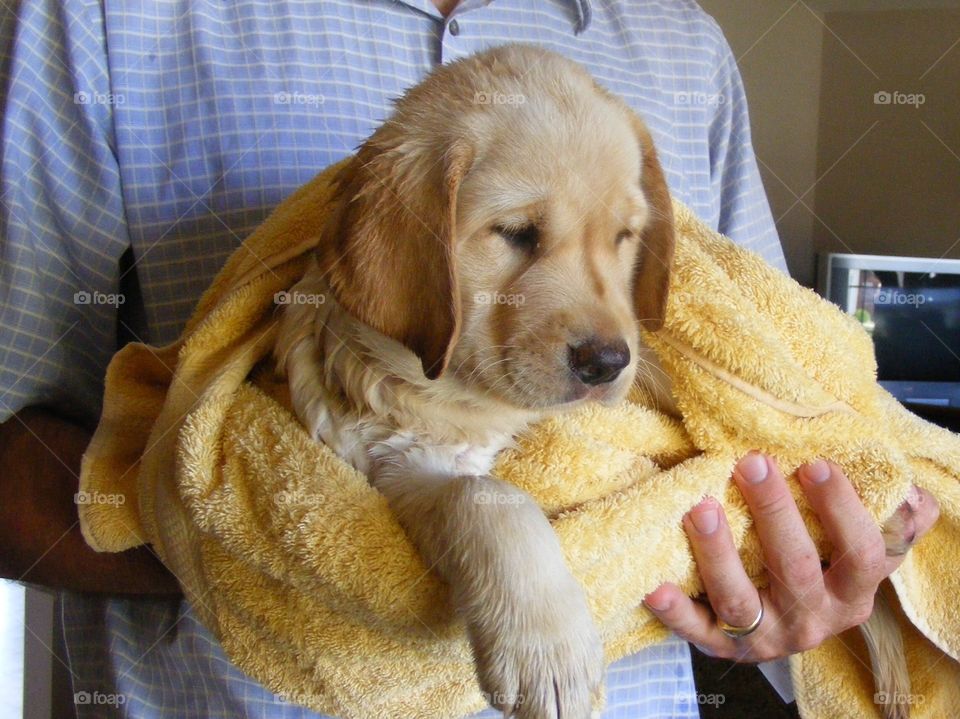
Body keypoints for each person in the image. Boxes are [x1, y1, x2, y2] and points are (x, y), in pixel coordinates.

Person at [0, 1, 938, 717]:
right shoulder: (113, 20)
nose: (600, 327)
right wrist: (265, 546)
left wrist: (789, 574)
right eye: (520, 234)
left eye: (615, 240)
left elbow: (763, 389)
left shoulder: (679, 41)